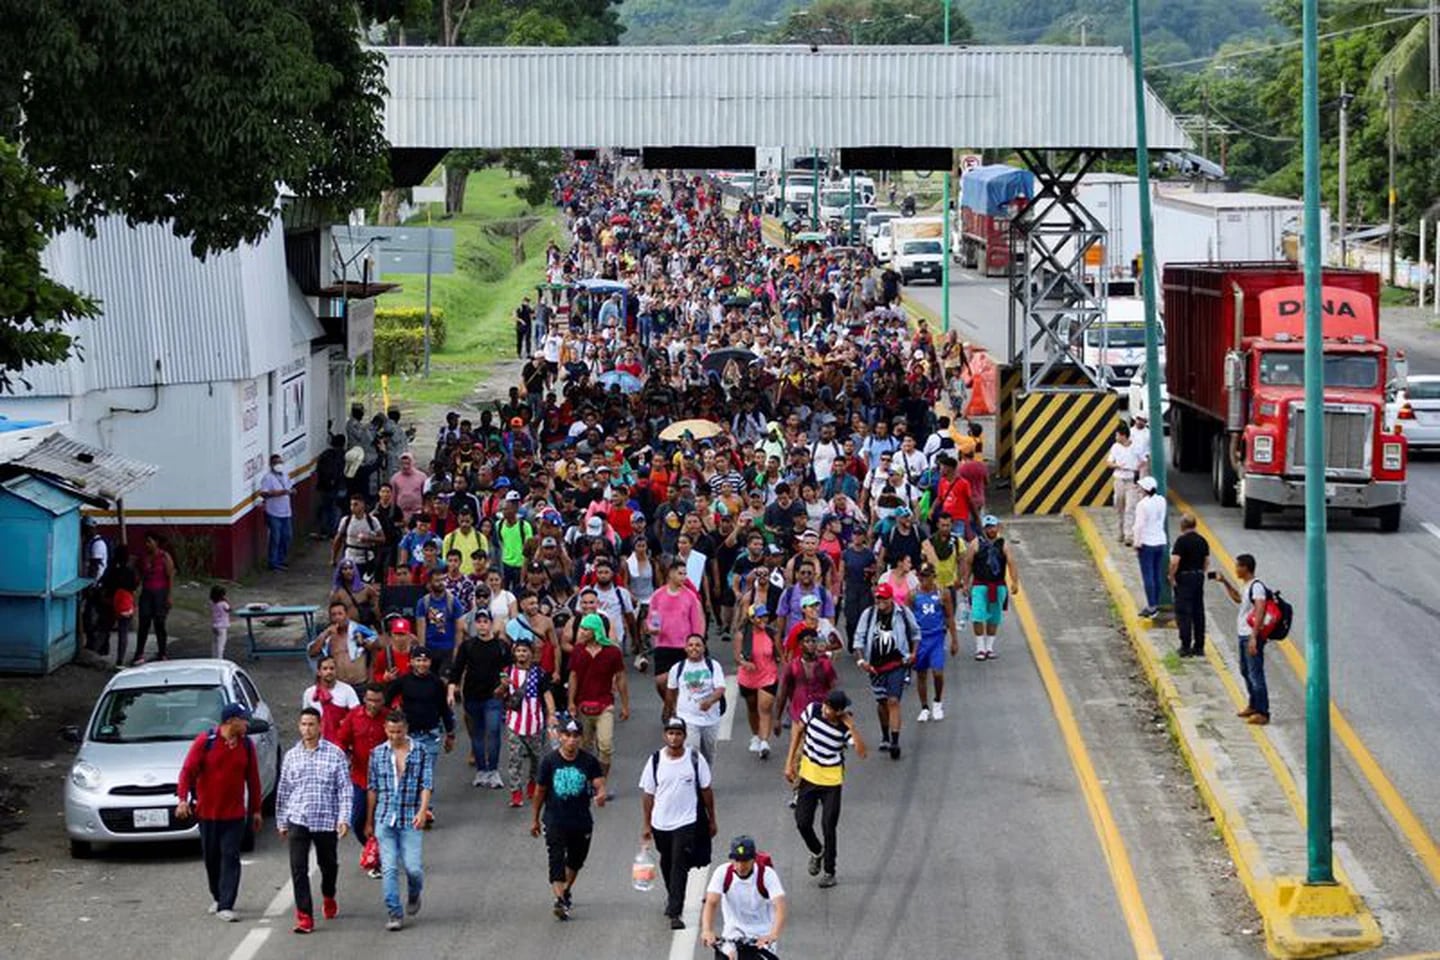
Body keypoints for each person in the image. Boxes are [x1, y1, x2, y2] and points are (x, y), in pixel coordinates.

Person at [175, 703, 263, 922]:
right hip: (208, 814)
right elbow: (187, 771)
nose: (246, 724)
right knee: (212, 858)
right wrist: (182, 799)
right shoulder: (206, 742)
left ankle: (227, 904)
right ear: (231, 721)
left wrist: (256, 810)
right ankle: (217, 894)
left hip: (234, 815)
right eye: (243, 720)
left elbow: (253, 780)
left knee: (231, 856)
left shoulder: (247, 746)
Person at [275, 707, 352, 934]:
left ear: (319, 727)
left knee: (328, 865)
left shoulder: (335, 754)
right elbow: (284, 790)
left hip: (326, 819)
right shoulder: (291, 756)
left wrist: (343, 818)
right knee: (298, 868)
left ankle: (329, 895)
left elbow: (344, 789)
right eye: (303, 724)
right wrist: (281, 821)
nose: (307, 729)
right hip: (298, 818)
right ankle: (304, 916)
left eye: (311, 724)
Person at [784, 689, 866, 889]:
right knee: (802, 822)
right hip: (809, 777)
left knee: (828, 827)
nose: (825, 710)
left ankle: (830, 872)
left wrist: (852, 727)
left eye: (830, 709)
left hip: (831, 782)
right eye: (826, 705)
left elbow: (862, 753)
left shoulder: (843, 729)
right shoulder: (813, 710)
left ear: (838, 712)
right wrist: (789, 762)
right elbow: (797, 732)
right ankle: (816, 850)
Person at [640, 717, 717, 930]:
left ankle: (675, 911)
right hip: (661, 823)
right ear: (665, 735)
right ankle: (673, 895)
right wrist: (646, 825)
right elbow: (648, 794)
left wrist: (712, 818)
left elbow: (706, 790)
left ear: (684, 736)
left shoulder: (694, 759)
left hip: (687, 821)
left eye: (678, 733)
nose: (674, 737)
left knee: (678, 863)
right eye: (670, 733)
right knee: (667, 862)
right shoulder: (655, 760)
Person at [531, 715, 608, 921]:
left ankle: (565, 891)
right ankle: (559, 900)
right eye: (567, 735)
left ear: (581, 738)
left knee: (576, 860)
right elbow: (540, 791)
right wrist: (535, 819)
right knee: (556, 858)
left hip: (581, 820)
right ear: (559, 736)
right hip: (555, 819)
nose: (571, 740)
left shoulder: (589, 760)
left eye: (575, 736)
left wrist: (601, 794)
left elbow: (599, 782)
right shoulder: (549, 761)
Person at [366, 710, 433, 931]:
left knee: (413, 868)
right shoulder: (377, 754)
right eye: (391, 732)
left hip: (409, 818)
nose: (395, 736)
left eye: (399, 731)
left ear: (406, 729)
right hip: (384, 818)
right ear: (385, 730)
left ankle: (414, 893)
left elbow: (426, 783)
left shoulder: (420, 752)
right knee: (389, 868)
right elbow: (372, 788)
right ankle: (394, 912)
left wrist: (423, 811)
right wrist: (368, 820)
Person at [384, 648, 455, 822]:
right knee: (409, 771)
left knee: (426, 772)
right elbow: (386, 699)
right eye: (418, 660)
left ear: (430, 663)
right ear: (411, 662)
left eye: (425, 661)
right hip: (409, 735)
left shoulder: (437, 683)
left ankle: (426, 809)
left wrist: (450, 733)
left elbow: (443, 709)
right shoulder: (403, 681)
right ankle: (412, 806)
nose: (422, 664)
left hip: (431, 734)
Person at [851, 583, 919, 758]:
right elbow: (858, 639)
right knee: (882, 703)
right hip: (875, 666)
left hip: (897, 663)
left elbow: (915, 633)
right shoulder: (869, 615)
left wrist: (913, 653)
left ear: (891, 599)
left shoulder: (902, 613)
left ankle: (895, 742)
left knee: (893, 701)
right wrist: (861, 661)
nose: (880, 601)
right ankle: (885, 735)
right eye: (878, 598)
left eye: (884, 598)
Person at [448, 608, 511, 789]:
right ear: (475, 624)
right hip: (472, 696)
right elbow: (457, 669)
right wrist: (451, 691)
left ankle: (493, 770)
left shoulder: (501, 646)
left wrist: (504, 686)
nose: (482, 624)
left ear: (491, 623)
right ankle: (482, 770)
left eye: (485, 621)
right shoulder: (468, 646)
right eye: (479, 621)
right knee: (476, 735)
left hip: (493, 696)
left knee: (492, 732)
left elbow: (508, 670)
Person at [702, 835, 787, 960]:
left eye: (745, 861)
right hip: (733, 931)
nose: (741, 866)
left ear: (753, 859)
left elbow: (780, 907)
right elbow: (711, 902)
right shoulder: (722, 873)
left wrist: (773, 935)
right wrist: (707, 930)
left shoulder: (767, 875)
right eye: (737, 860)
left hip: (762, 934)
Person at [567, 613, 630, 780]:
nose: (582, 632)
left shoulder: (612, 652)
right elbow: (573, 677)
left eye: (586, 629)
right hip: (583, 704)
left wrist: (625, 704)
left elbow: (621, 678)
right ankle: (586, 778)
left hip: (605, 704)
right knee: (584, 746)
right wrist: (571, 702)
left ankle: (601, 780)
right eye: (582, 628)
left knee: (606, 745)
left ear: (595, 631)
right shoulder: (578, 651)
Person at [502, 633, 558, 807]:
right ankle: (515, 792)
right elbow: (498, 694)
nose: (521, 654)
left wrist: (552, 714)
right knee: (514, 758)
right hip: (514, 722)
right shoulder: (507, 672)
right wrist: (503, 686)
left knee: (537, 758)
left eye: (524, 651)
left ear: (531, 653)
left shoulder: (539, 674)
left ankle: (533, 783)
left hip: (535, 723)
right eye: (518, 651)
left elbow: (547, 694)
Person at [1215, 553, 1271, 725]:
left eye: (1238, 566)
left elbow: (1261, 610)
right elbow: (1239, 599)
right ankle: (1253, 704)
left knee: (1255, 673)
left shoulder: (1257, 587)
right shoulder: (1247, 586)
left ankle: (1263, 712)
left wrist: (1254, 637)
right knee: (1245, 671)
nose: (1236, 569)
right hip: (1243, 634)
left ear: (1246, 568)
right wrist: (1225, 582)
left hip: (1250, 635)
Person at [336, 683, 388, 864]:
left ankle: (381, 855)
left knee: (382, 822)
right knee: (358, 819)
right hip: (360, 777)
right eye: (370, 700)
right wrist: (344, 756)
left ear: (383, 701)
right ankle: (370, 848)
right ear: (364, 699)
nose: (373, 704)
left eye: (378, 701)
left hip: (384, 780)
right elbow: (342, 740)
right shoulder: (353, 717)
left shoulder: (389, 718)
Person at [665, 633, 726, 767]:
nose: (694, 648)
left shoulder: (713, 666)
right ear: (685, 648)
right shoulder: (677, 669)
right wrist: (673, 710)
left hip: (711, 719)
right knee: (692, 754)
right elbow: (671, 690)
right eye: (690, 645)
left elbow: (720, 689)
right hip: (688, 719)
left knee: (708, 755)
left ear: (704, 648)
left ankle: (705, 781)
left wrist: (709, 701)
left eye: (698, 645)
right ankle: (693, 783)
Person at [965, 515, 1018, 662]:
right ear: (983, 528)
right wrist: (965, 582)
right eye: (988, 527)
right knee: (977, 615)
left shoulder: (1003, 544)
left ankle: (989, 647)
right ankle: (980, 647)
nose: (991, 530)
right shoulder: (975, 543)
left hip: (998, 584)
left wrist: (1015, 582)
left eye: (993, 526)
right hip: (980, 584)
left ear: (997, 527)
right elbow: (968, 563)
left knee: (994, 618)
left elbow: (1011, 562)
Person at [910, 562, 957, 723]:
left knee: (937, 672)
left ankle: (937, 701)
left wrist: (954, 640)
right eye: (921, 576)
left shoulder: (943, 594)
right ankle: (924, 707)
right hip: (920, 639)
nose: (924, 579)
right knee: (921, 674)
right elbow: (907, 619)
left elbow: (949, 616)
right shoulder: (913, 595)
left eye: (927, 576)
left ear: (933, 576)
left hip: (936, 637)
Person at [308, 601, 380, 697]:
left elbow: (376, 647)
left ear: (347, 615)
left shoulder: (359, 630)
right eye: (334, 615)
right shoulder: (328, 637)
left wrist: (363, 642)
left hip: (360, 684)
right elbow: (312, 652)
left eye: (340, 614)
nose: (337, 617)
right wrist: (325, 634)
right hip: (339, 686)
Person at [736, 603, 779, 760]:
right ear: (752, 618)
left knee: (765, 708)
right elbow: (737, 657)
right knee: (752, 708)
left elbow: (779, 653)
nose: (764, 620)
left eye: (765, 616)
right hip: (749, 678)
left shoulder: (771, 633)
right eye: (760, 617)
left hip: (768, 675)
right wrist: (745, 663)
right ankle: (756, 735)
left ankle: (764, 742)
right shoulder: (742, 635)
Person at [1169, 513, 1210, 657]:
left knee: (1184, 613)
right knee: (1198, 612)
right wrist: (1200, 573)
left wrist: (1171, 576)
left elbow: (1175, 561)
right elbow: (1206, 561)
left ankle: (1185, 646)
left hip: (1184, 578)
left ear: (1182, 526)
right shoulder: (1202, 541)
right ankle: (1199, 646)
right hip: (1198, 577)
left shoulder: (1181, 541)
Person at [132, 533, 175, 664]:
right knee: (143, 623)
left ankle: (162, 653)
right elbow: (139, 575)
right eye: (146, 542)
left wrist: (169, 596)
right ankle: (139, 654)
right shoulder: (143, 557)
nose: (147, 545)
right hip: (146, 593)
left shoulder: (164, 556)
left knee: (159, 624)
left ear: (156, 542)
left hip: (160, 594)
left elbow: (170, 576)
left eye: (149, 542)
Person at [303, 655, 362, 744]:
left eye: (332, 668)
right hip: (316, 741)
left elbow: (357, 715)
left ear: (336, 670)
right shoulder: (309, 692)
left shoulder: (347, 690)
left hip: (341, 742)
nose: (329, 672)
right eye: (325, 669)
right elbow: (305, 719)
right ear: (319, 672)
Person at [1132, 476, 1168, 618]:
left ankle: (1151, 606)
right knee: (1157, 573)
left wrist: (1136, 542)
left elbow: (1139, 525)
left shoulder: (1142, 505)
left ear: (1145, 489)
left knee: (1148, 575)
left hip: (1147, 542)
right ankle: (1156, 603)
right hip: (1160, 540)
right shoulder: (1161, 500)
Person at [259, 452, 296, 571]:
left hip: (286, 511)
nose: (278, 465)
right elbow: (263, 493)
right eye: (276, 463)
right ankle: (273, 563)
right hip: (273, 512)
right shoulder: (267, 478)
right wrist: (278, 493)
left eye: (280, 462)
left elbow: (289, 487)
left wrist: (292, 491)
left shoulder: (285, 475)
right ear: (271, 464)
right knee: (275, 537)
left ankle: (281, 559)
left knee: (287, 536)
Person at [1107, 424, 1142, 546]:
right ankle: (1120, 531)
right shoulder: (1115, 447)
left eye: (1117, 434)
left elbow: (1142, 460)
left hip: (1130, 479)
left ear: (1123, 435)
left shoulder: (1135, 447)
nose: (1116, 436)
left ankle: (1129, 535)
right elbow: (1109, 462)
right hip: (1119, 479)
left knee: (1130, 507)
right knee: (1119, 505)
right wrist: (1118, 465)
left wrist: (1138, 470)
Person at [210, 585, 231, 660]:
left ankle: (214, 659)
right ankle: (220, 660)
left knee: (214, 645)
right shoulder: (224, 604)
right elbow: (229, 609)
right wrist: (226, 600)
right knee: (221, 646)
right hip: (222, 627)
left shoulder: (213, 603)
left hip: (214, 625)